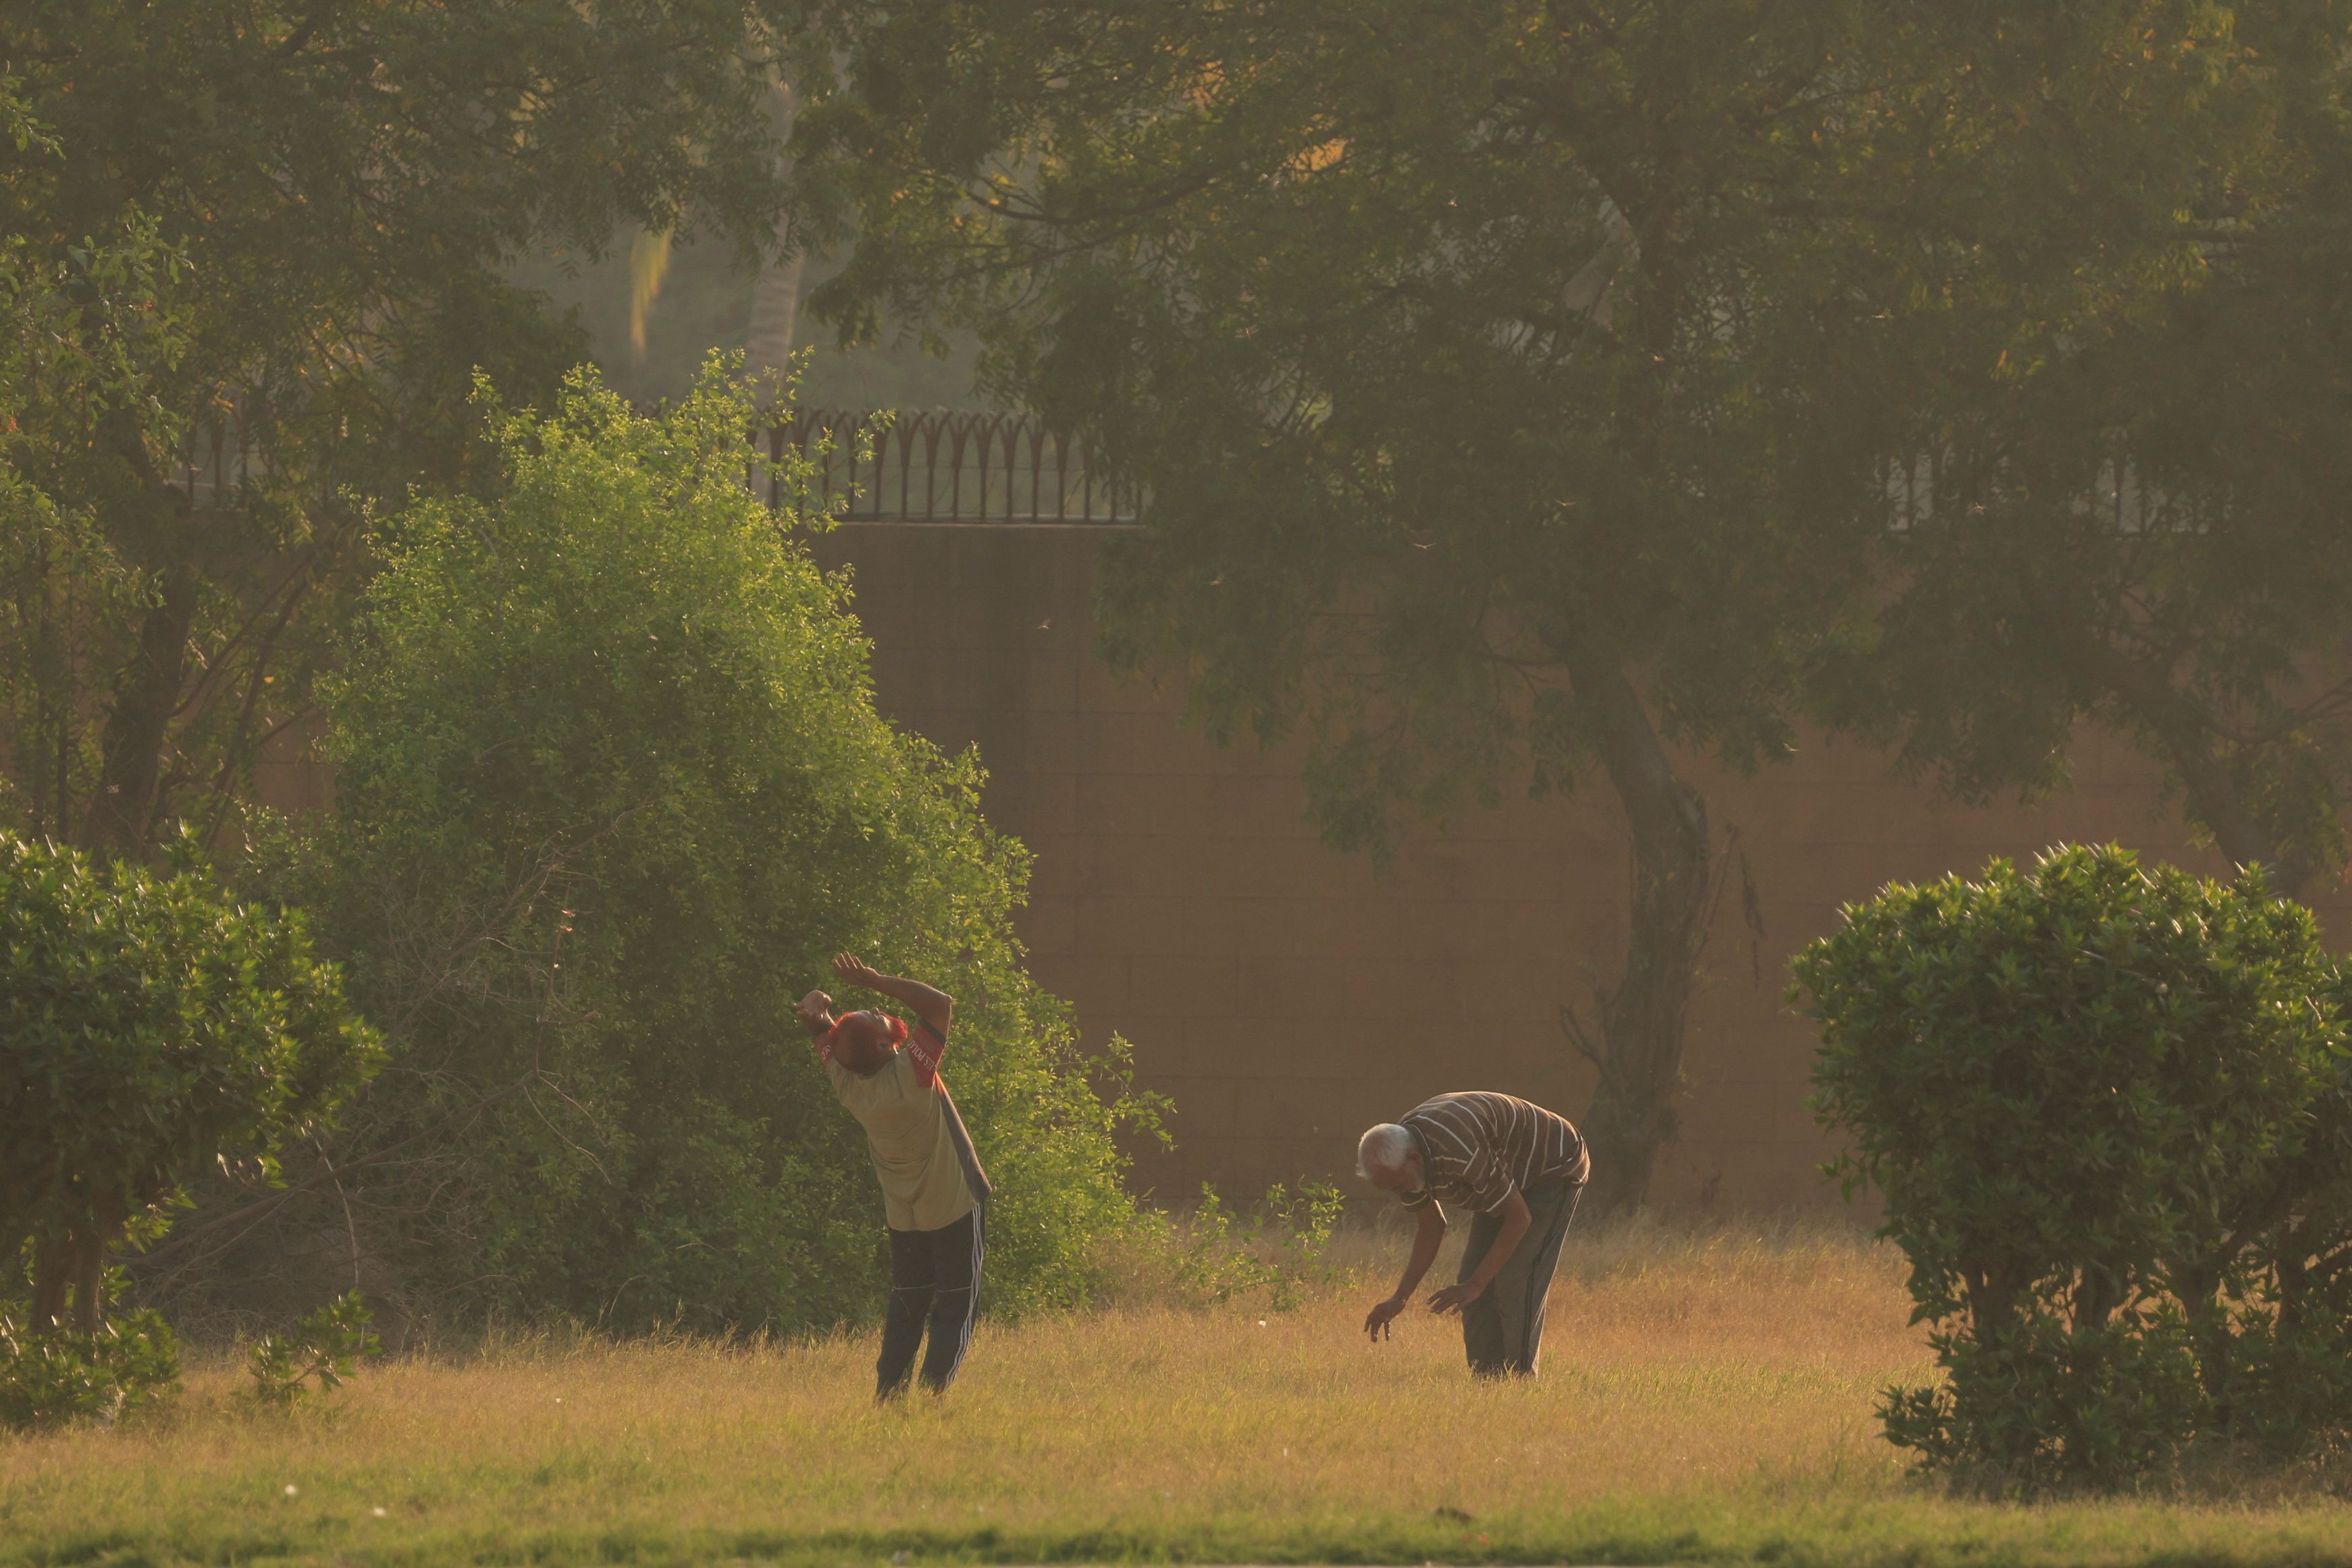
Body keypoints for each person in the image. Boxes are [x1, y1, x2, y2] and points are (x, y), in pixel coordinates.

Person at [796, 952, 991, 1399]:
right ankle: (932, 1395)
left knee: (907, 1303)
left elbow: (822, 1028)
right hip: (954, 1202)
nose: (880, 1011)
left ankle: (889, 1393)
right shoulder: (913, 1074)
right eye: (878, 1018)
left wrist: (816, 1004)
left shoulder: (846, 1083)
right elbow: (940, 1004)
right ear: (886, 1048)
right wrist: (875, 980)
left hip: (904, 1214)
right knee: (956, 1304)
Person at [1356, 1091, 1589, 1378]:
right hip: (1503, 1173)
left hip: (1553, 1165)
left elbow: (1519, 1218)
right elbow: (1431, 1227)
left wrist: (1477, 1284)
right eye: (1388, 1189)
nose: (1398, 1194)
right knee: (1469, 1279)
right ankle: (1487, 1382)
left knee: (1514, 1279)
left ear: (1415, 1160)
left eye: (1398, 1186)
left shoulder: (1460, 1150)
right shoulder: (1404, 1161)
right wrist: (1400, 1298)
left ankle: (1521, 1382)